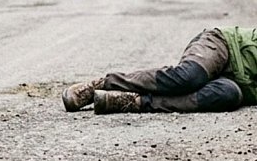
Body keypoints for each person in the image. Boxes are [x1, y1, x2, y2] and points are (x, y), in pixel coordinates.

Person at [62, 27, 257, 114]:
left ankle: (132, 102)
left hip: (237, 84)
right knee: (190, 77)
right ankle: (103, 84)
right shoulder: (223, 40)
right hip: (224, 45)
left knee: (228, 95)